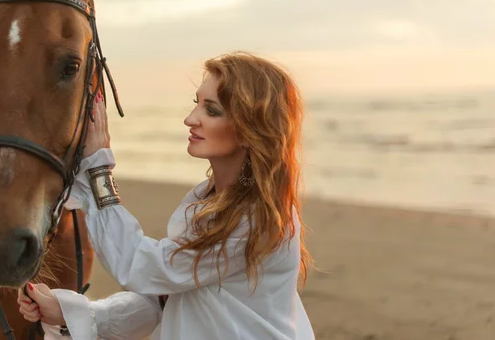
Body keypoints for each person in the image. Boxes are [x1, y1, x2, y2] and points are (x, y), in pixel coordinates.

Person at [17, 52, 315, 339]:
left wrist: (99, 172)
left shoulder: (255, 218)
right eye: (196, 104)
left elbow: (144, 268)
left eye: (211, 110)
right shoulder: (205, 199)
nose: (190, 119)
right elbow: (163, 301)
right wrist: (69, 313)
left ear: (251, 127)